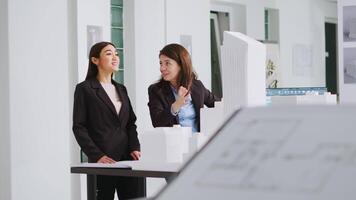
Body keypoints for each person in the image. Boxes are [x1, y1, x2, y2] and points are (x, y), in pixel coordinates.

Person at [72, 41, 142, 200]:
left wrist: (135, 146)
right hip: (103, 162)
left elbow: (130, 122)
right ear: (95, 60)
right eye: (109, 53)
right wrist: (97, 156)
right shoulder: (85, 89)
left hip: (128, 160)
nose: (115, 57)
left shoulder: (121, 88)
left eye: (116, 54)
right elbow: (79, 127)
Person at [148, 43, 221, 132]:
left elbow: (218, 104)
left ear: (181, 65)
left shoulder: (197, 86)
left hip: (198, 142)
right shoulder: (156, 90)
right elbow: (157, 122)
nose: (162, 68)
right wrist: (176, 105)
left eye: (167, 63)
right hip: (174, 143)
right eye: (161, 63)